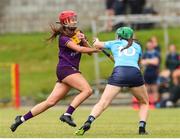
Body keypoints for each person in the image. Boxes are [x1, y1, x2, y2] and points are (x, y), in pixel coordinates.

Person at [10, 10, 100, 132]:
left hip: (69, 70)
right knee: (87, 90)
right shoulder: (63, 38)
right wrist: (96, 49)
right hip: (66, 69)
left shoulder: (79, 33)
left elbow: (87, 51)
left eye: (74, 18)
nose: (74, 21)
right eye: (71, 19)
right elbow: (79, 49)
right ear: (65, 22)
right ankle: (67, 114)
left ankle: (20, 119)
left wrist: (84, 40)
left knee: (50, 102)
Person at [75, 27, 149, 135]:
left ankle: (89, 121)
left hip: (119, 72)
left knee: (103, 102)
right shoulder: (137, 46)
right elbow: (138, 64)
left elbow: (96, 45)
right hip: (135, 73)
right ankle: (142, 128)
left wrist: (96, 40)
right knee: (144, 102)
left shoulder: (114, 43)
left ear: (118, 36)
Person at [141, 39, 160, 106]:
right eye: (148, 45)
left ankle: (156, 104)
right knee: (146, 89)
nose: (149, 46)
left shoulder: (156, 53)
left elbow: (156, 62)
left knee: (155, 88)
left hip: (154, 73)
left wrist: (147, 61)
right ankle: (147, 103)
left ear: (152, 45)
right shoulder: (145, 53)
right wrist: (151, 61)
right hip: (146, 73)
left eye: (150, 45)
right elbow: (142, 62)